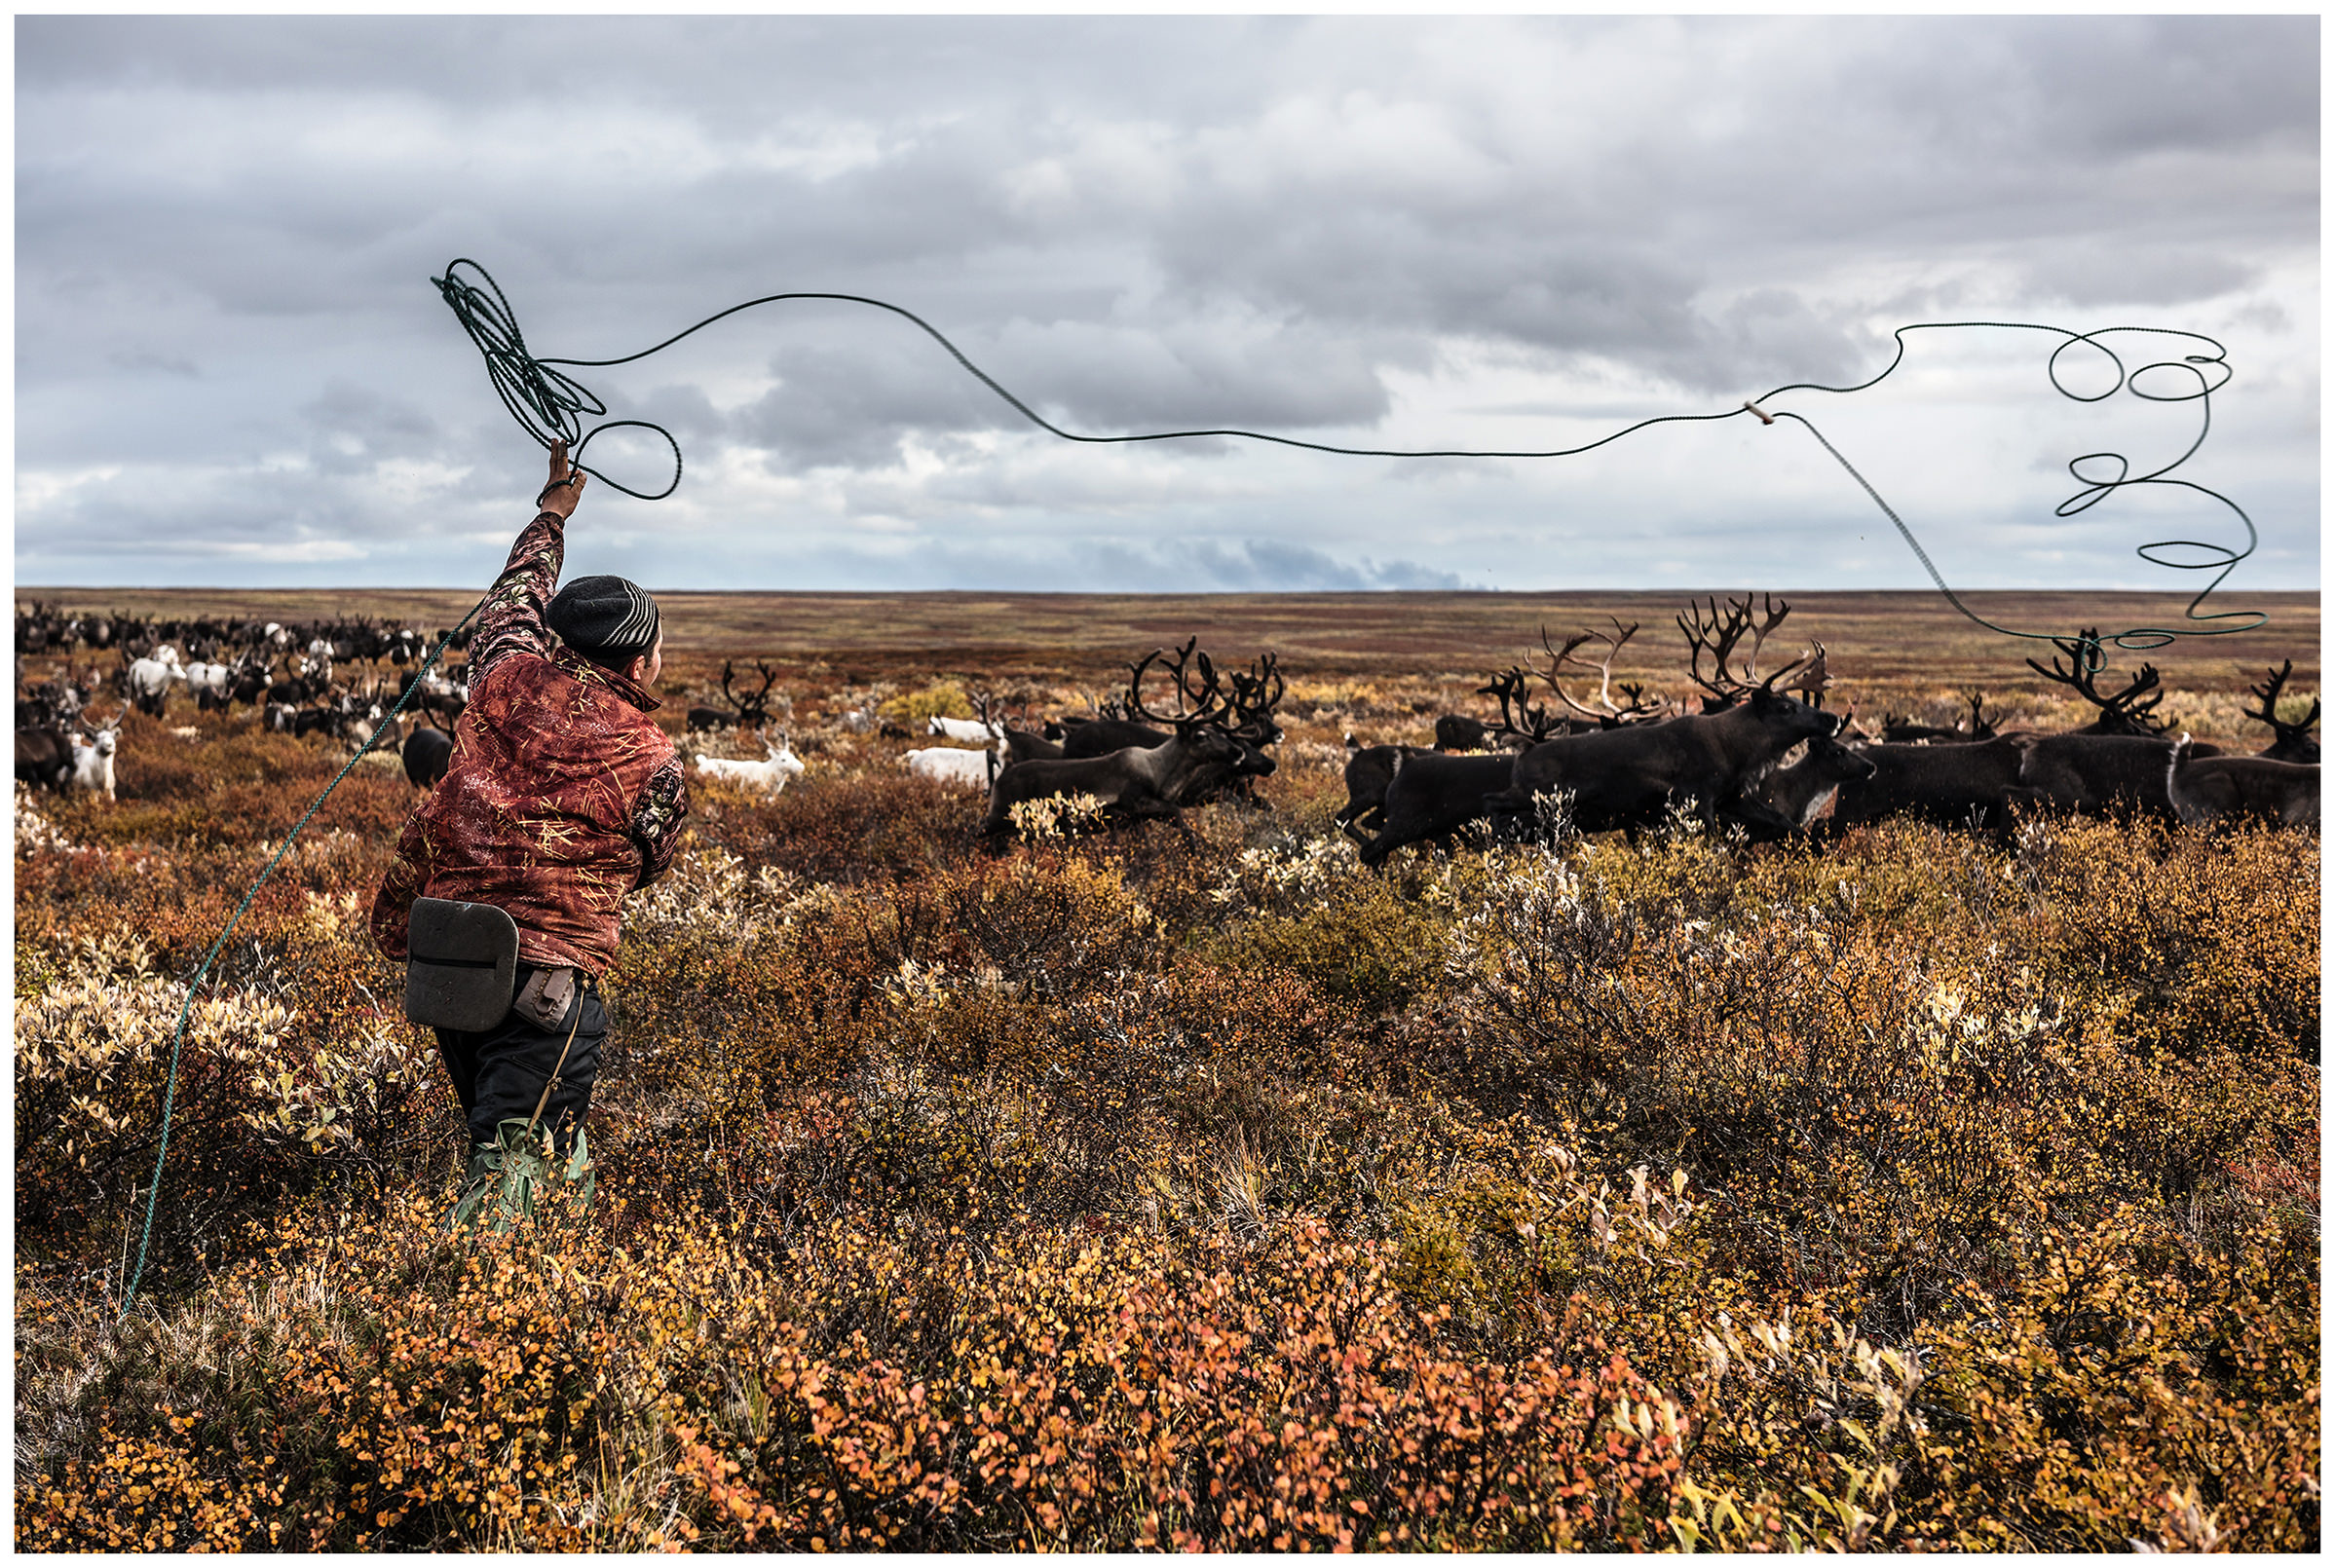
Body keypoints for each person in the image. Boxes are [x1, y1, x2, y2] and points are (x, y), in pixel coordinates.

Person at [371, 442, 688, 1185]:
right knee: (511, 1176)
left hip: (449, 966)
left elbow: (514, 596)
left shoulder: (501, 673)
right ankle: (461, 1291)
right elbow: (649, 863)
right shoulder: (652, 757)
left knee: (528, 1150)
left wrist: (552, 512)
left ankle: (546, 1270)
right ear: (638, 664)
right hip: (543, 990)